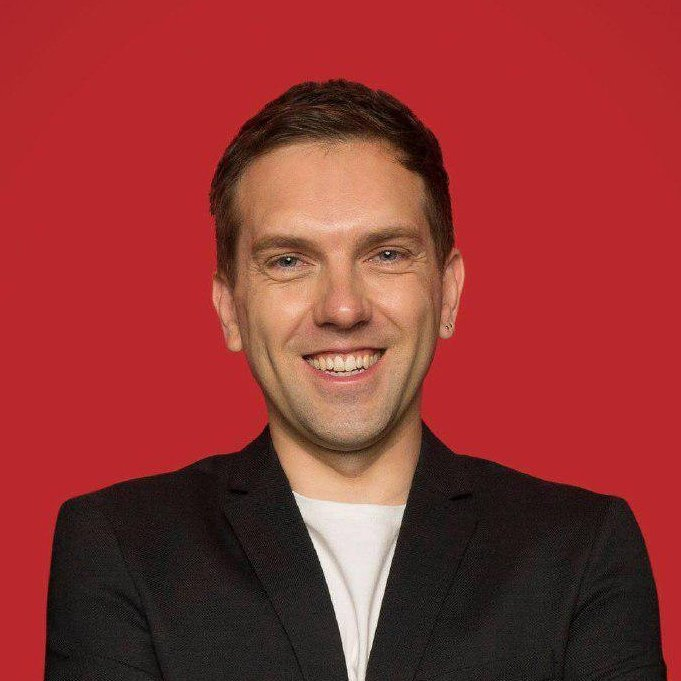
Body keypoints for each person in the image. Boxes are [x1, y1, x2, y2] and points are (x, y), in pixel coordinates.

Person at [44, 79, 666, 681]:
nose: (342, 308)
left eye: (386, 254)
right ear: (230, 309)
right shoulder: (123, 546)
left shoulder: (581, 550)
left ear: (447, 294)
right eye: (289, 261)